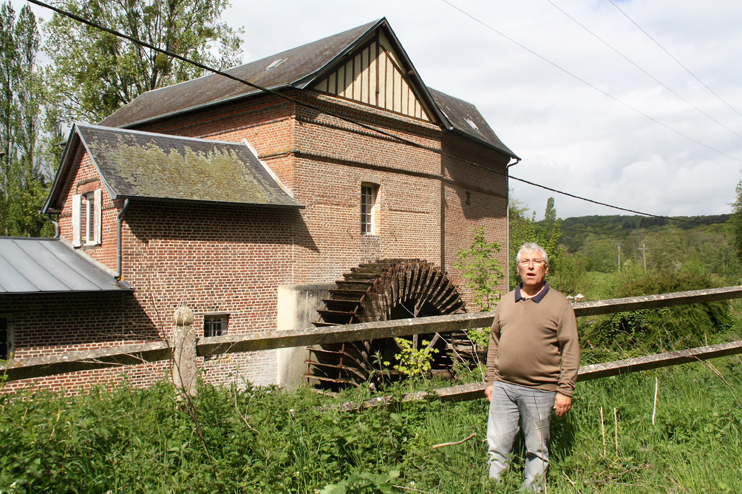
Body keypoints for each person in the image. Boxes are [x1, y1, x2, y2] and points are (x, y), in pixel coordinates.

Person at [484, 242, 580, 491]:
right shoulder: (506, 301)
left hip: (540, 389)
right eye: (525, 262)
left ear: (546, 269)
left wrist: (565, 390)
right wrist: (491, 381)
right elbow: (494, 341)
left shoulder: (560, 305)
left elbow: (570, 349)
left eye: (536, 262)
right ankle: (495, 487)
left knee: (536, 448)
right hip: (503, 387)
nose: (530, 266)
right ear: (518, 268)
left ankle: (533, 489)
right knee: (497, 444)